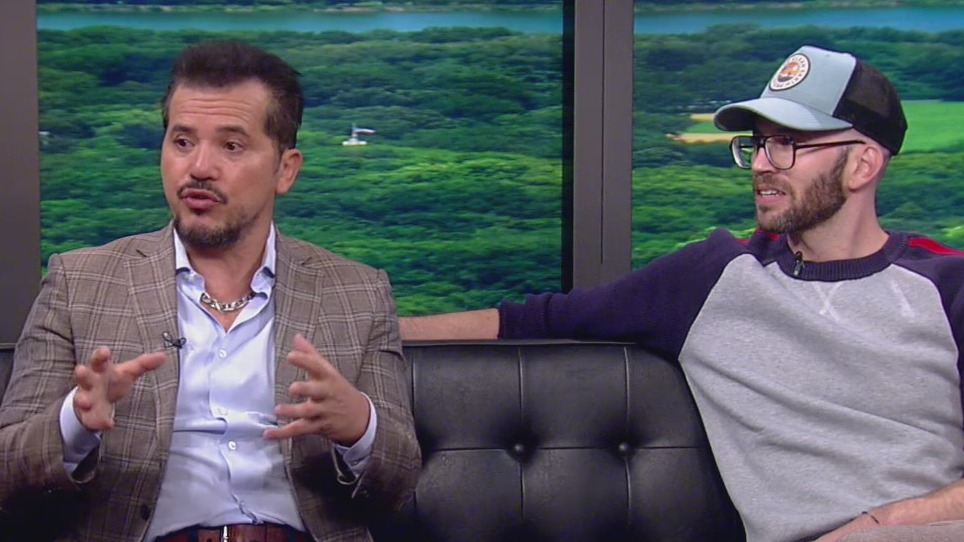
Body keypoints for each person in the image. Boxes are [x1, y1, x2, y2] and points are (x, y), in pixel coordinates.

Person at [400, 45, 964, 542]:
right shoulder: (713, 276)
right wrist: (371, 329)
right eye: (758, 144)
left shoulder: (946, 285)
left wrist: (883, 525)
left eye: (788, 144)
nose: (762, 165)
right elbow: (530, 320)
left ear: (862, 163)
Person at [0, 41, 420, 542]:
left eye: (231, 146)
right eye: (182, 142)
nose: (198, 167)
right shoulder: (79, 282)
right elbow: (7, 471)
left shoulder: (358, 293)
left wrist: (358, 426)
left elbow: (399, 485)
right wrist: (75, 422)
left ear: (285, 169)